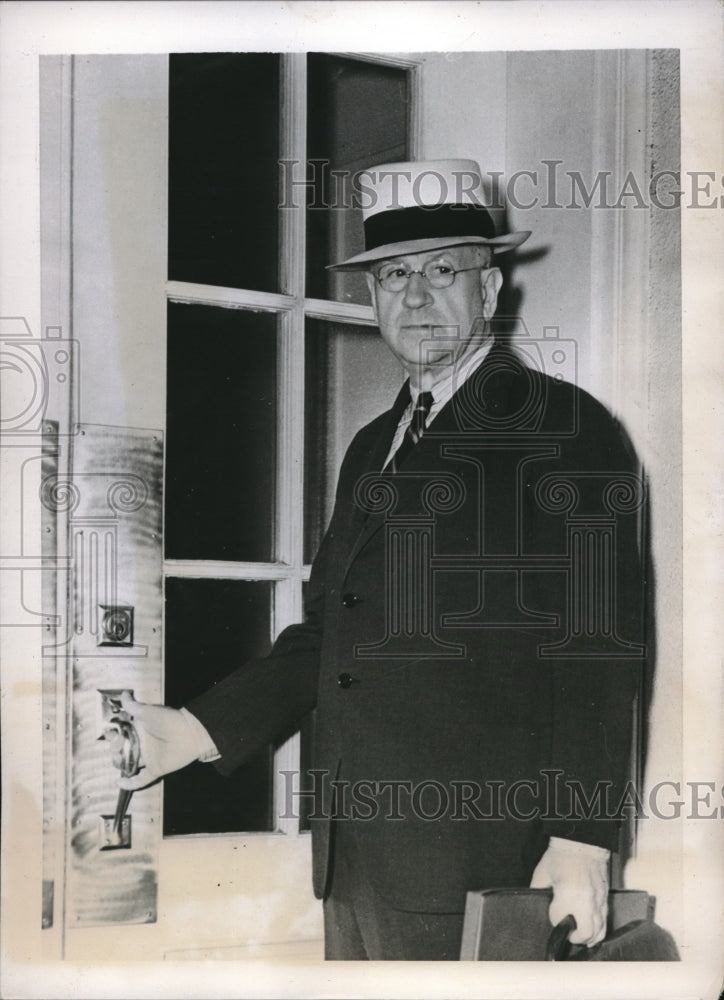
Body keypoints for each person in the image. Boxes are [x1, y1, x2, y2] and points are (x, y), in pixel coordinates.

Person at [118, 160, 647, 960]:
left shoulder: (567, 430)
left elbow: (600, 651)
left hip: (484, 862)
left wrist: (582, 840)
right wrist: (196, 729)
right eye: (395, 275)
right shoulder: (373, 446)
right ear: (373, 297)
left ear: (489, 290)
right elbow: (329, 635)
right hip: (353, 859)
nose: (416, 295)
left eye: (442, 271)